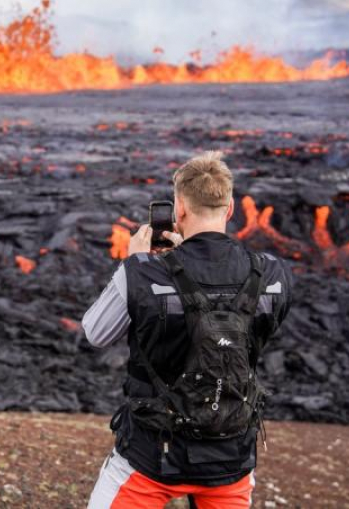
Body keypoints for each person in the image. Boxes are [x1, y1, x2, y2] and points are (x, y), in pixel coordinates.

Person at [82, 151, 293, 509]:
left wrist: (135, 265)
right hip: (231, 457)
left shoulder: (144, 272)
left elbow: (96, 333)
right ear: (228, 210)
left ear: (179, 209)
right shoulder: (271, 273)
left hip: (152, 458)